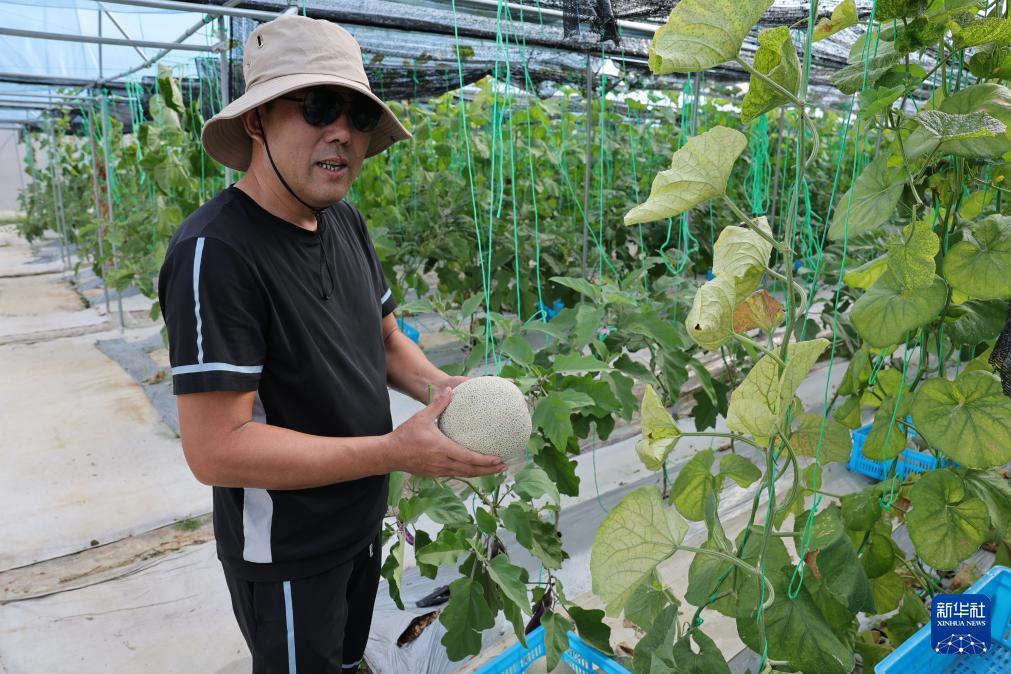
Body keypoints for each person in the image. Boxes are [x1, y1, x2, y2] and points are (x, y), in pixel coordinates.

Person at [157, 15, 506, 674]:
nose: (342, 132)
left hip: (358, 521)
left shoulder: (344, 220)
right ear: (256, 120)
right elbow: (215, 448)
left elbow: (384, 339)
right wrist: (393, 451)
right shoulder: (216, 252)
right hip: (289, 551)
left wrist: (444, 391)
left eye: (357, 115)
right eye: (318, 107)